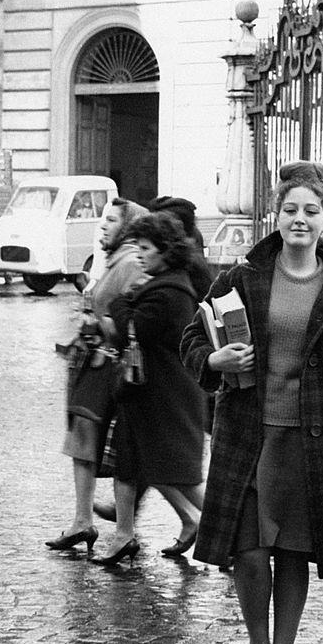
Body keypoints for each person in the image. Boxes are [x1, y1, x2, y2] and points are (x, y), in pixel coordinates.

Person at [180, 160, 323, 644]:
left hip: (314, 437)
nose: (300, 220)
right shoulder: (241, 278)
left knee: (292, 553)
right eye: (290, 210)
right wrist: (213, 359)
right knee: (249, 551)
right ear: (277, 214)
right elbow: (192, 338)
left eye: (311, 211)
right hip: (250, 433)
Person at [92, 211, 206, 566]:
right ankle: (125, 535)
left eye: (144, 248)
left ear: (165, 251)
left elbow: (132, 327)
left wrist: (121, 303)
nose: (139, 254)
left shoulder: (170, 293)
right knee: (130, 465)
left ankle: (228, 531)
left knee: (179, 476)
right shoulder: (161, 284)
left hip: (165, 398)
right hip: (143, 394)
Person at [45, 197, 147, 554]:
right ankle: (82, 522)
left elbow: (133, 317)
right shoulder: (116, 260)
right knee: (82, 446)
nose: (103, 226)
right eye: (104, 220)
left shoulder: (132, 261)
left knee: (110, 451)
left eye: (112, 220)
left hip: (109, 367)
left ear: (130, 227)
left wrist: (98, 323)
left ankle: (123, 528)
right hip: (94, 365)